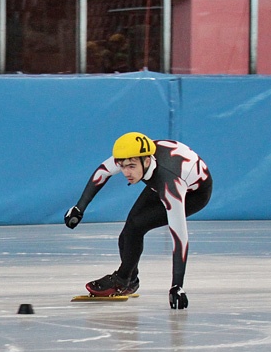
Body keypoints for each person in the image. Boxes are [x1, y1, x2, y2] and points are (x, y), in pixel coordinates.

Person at [64, 132, 213, 309]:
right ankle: (130, 279)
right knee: (127, 234)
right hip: (163, 174)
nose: (126, 172)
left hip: (193, 194)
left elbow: (180, 237)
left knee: (136, 226)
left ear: (147, 161)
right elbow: (102, 172)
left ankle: (122, 280)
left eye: (131, 166)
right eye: (123, 166)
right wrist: (79, 207)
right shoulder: (133, 155)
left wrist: (177, 286)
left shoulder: (169, 185)